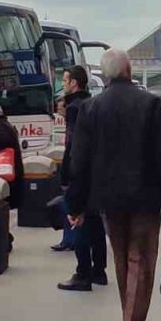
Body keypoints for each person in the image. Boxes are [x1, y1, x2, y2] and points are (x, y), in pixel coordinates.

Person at [67, 50, 161, 321]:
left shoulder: (90, 108)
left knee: (122, 261)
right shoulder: (149, 104)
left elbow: (79, 161)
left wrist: (75, 205)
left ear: (104, 76)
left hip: (108, 202)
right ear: (129, 70)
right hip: (145, 200)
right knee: (141, 263)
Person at [58, 65, 108, 291]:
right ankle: (99, 270)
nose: (62, 84)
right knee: (95, 220)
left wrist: (66, 173)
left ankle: (82, 273)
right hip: (97, 171)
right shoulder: (93, 104)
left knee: (76, 218)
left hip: (80, 171)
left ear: (74, 83)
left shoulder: (74, 108)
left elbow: (73, 144)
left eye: (65, 80)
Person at [51, 95, 77, 252]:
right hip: (69, 172)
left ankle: (70, 240)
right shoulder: (69, 125)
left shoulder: (72, 126)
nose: (58, 111)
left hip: (72, 173)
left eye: (60, 108)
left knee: (69, 207)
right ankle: (68, 239)